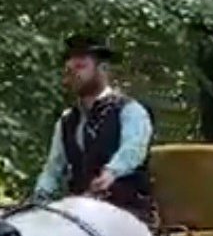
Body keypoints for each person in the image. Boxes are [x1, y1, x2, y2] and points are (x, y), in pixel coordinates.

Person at [33, 34, 154, 219]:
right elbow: (54, 167)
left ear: (102, 69)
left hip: (126, 211)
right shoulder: (66, 121)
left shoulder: (129, 110)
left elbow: (133, 149)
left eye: (81, 66)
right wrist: (39, 196)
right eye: (69, 69)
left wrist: (111, 173)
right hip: (80, 213)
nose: (73, 73)